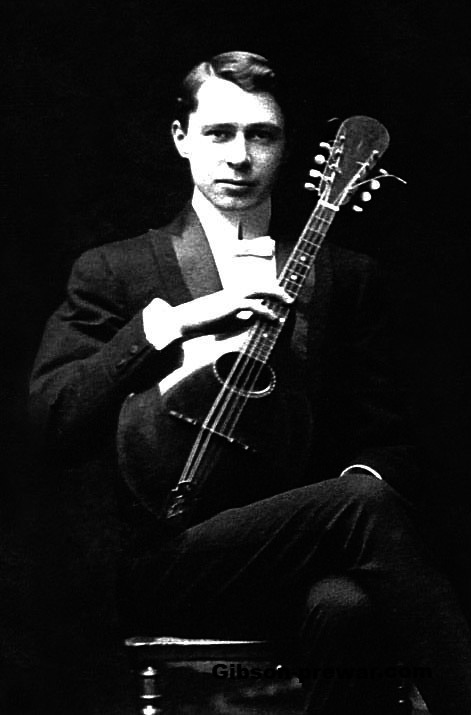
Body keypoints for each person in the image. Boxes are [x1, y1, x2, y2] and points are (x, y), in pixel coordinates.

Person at [29, 51, 471, 714]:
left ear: (286, 146)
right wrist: (172, 324)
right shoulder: (115, 270)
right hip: (173, 564)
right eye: (218, 133)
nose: (239, 156)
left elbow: (389, 443)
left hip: (306, 563)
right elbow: (51, 421)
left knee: (347, 606)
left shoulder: (344, 276)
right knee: (360, 507)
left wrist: (347, 489)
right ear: (181, 137)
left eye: (261, 135)